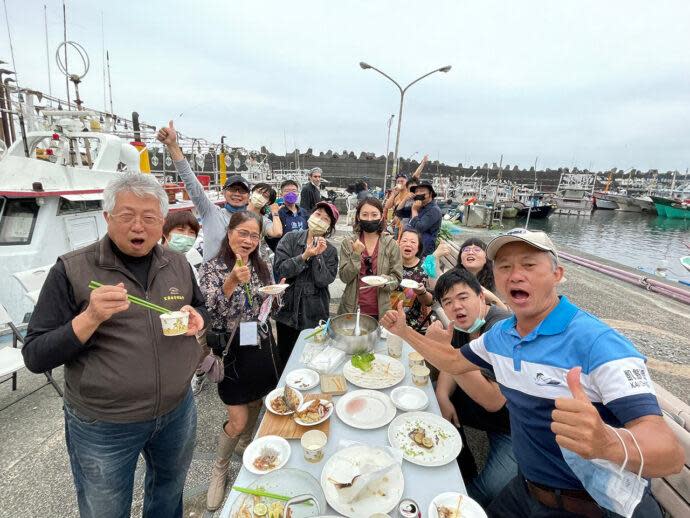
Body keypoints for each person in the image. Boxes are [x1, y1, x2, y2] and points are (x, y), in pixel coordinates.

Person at [382, 229, 683, 518]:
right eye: (505, 266)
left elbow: (670, 453)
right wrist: (405, 332)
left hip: (591, 506)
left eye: (528, 265)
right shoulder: (501, 335)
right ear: (495, 278)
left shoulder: (598, 343)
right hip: (528, 488)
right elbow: (455, 362)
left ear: (557, 274)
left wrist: (608, 443)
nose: (515, 275)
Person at [21, 174, 206, 518]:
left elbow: (199, 305)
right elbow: (34, 354)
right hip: (105, 423)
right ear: (107, 218)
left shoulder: (177, 263)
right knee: (105, 509)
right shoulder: (72, 270)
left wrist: (197, 316)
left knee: (168, 493)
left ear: (162, 222)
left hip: (177, 409)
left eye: (150, 217)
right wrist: (89, 317)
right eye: (127, 215)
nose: (139, 226)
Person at [198, 211, 282, 511]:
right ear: (229, 232)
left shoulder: (264, 264)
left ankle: (247, 443)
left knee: (259, 400)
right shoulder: (212, 268)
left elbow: (267, 306)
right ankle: (220, 468)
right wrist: (231, 281)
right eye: (242, 233)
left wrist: (276, 293)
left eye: (254, 235)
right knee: (238, 418)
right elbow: (208, 311)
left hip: (259, 343)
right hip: (231, 349)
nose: (248, 240)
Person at [432, 268, 516, 507]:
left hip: (513, 427)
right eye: (447, 302)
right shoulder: (463, 326)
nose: (456, 307)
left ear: (481, 296)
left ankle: (450, 506)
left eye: (463, 297)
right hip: (480, 407)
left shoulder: (500, 328)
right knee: (430, 401)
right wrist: (442, 396)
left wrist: (443, 350)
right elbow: (454, 363)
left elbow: (494, 400)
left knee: (490, 489)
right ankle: (462, 460)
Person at [158, 121, 251, 261]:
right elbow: (191, 183)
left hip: (246, 279)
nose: (237, 194)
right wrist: (172, 145)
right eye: (233, 189)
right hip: (213, 280)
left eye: (242, 191)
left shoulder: (253, 220)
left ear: (249, 196)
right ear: (224, 192)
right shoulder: (211, 212)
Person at [274, 201, 339, 364]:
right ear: (310, 216)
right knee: (286, 357)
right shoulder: (290, 238)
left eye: (326, 219)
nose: (320, 220)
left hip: (315, 313)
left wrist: (317, 255)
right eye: (318, 215)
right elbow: (281, 270)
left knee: (312, 358)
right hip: (287, 312)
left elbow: (323, 280)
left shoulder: (330, 251)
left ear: (329, 227)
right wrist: (304, 256)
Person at [161, 211, 209, 395]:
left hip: (184, 330)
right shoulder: (150, 260)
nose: (186, 237)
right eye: (180, 230)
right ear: (165, 231)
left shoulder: (185, 261)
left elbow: (199, 301)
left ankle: (198, 375)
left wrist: (200, 315)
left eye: (192, 233)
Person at [338, 198, 402, 319]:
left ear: (381, 216)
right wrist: (356, 254)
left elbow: (397, 279)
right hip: (352, 308)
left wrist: (384, 281)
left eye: (374, 215)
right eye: (365, 214)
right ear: (358, 217)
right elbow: (344, 277)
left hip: (381, 311)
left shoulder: (391, 244)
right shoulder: (349, 243)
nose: (369, 219)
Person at [397, 228, 433, 332]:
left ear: (418, 248)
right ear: (398, 244)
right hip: (387, 316)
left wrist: (422, 292)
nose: (408, 244)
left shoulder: (426, 268)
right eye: (404, 241)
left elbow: (430, 301)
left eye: (413, 242)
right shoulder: (390, 264)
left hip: (412, 322)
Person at [456, 237, 508, 309]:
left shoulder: (499, 281)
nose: (470, 252)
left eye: (477, 249)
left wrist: (492, 299)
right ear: (461, 260)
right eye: (466, 250)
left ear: (486, 259)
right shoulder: (454, 278)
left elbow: (509, 314)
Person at [407, 179, 443, 256]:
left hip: (424, 250)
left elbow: (419, 228)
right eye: (416, 191)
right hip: (414, 246)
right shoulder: (419, 206)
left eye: (422, 191)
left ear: (430, 193)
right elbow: (399, 211)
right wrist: (405, 199)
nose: (418, 193)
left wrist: (414, 210)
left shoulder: (434, 210)